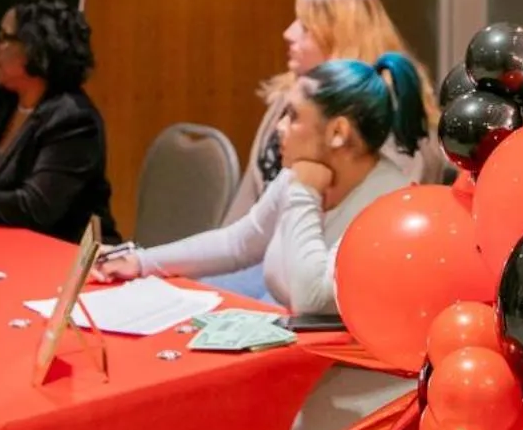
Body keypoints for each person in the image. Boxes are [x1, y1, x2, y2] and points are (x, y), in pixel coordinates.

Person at [95, 54, 426, 315]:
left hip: (351, 374)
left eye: (293, 116)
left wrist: (304, 193)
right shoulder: (300, 174)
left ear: (338, 132)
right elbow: (238, 243)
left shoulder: (386, 206)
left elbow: (311, 299)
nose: (279, 127)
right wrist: (141, 262)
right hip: (297, 353)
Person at [223, 0, 439, 224]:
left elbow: (386, 216)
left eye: (305, 27)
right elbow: (245, 211)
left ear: (342, 38)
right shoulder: (287, 97)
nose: (288, 34)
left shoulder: (385, 112)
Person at [0, 0, 120, 243]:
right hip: (3, 243)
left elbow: (36, 208)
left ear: (36, 49)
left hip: (65, 251)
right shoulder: (2, 100)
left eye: (3, 38)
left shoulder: (74, 119)